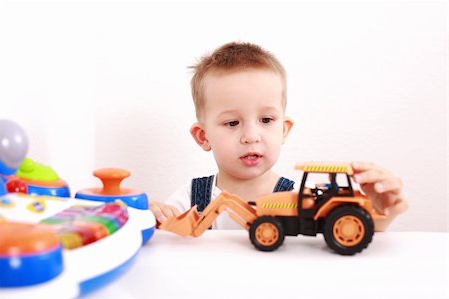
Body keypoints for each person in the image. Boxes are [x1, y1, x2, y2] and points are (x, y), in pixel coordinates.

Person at [150, 41, 407, 231]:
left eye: (266, 120)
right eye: (232, 122)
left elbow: (344, 234)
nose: (251, 136)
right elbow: (165, 232)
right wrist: (153, 216)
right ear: (203, 136)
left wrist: (380, 210)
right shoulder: (192, 198)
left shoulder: (297, 198)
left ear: (283, 129)